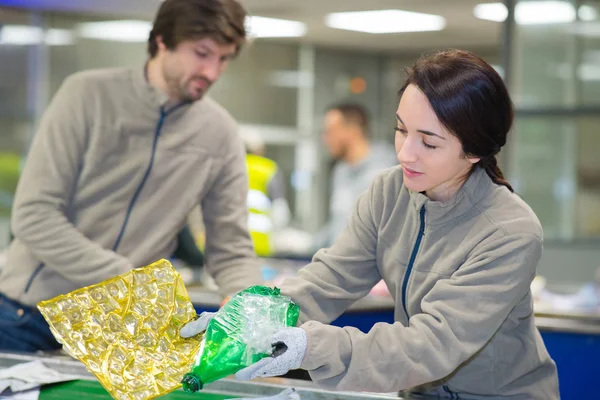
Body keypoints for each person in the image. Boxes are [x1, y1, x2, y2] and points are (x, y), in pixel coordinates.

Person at [182, 50, 560, 398]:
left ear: (475, 151)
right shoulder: (389, 192)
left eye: (428, 142)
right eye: (401, 129)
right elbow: (327, 281)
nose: (405, 152)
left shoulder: (510, 232)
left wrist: (310, 346)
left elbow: (432, 345)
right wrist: (252, 320)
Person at [0, 0, 262, 353]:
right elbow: (34, 215)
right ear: (162, 41)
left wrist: (246, 302)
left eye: (224, 58)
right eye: (202, 53)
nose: (212, 72)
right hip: (27, 318)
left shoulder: (221, 134)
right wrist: (125, 277)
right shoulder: (86, 96)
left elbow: (231, 249)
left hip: (120, 329)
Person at [313, 103, 397, 249]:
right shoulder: (340, 171)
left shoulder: (387, 170)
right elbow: (338, 223)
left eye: (330, 131)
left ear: (353, 130)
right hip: (339, 264)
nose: (325, 139)